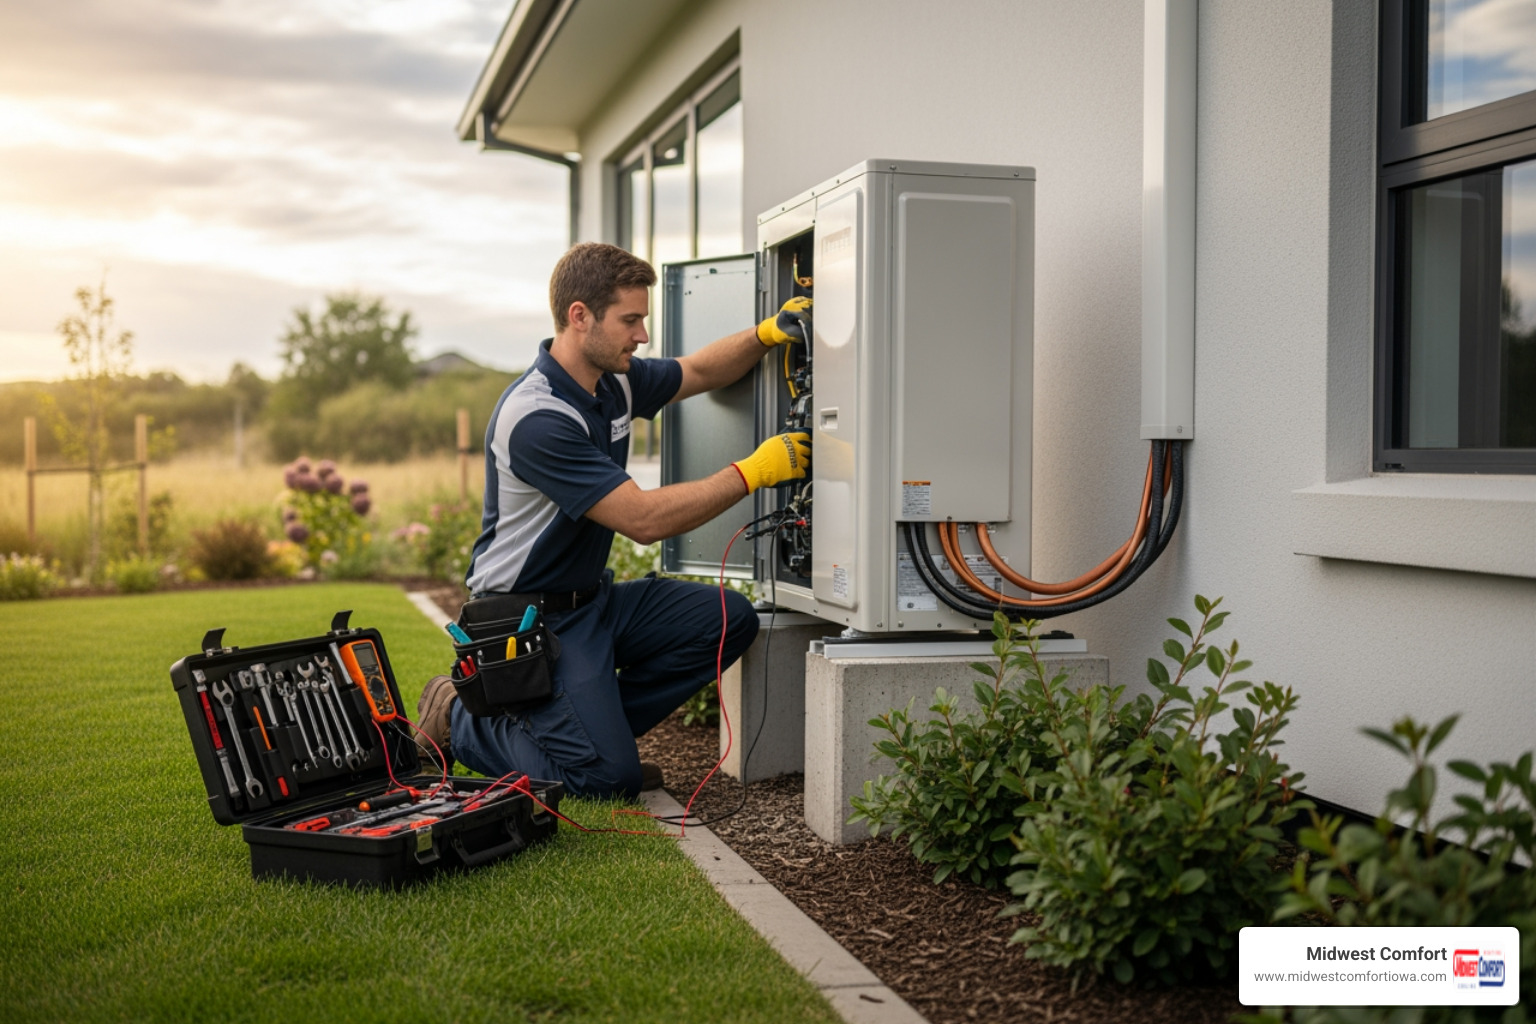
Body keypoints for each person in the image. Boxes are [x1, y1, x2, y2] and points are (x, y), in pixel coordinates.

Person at [415, 242, 811, 798]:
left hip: (591, 604)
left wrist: (767, 333)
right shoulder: (537, 418)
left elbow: (697, 370)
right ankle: (463, 721)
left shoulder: (613, 381)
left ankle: (593, 738)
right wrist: (755, 471)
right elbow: (643, 521)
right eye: (631, 320)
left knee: (729, 619)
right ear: (580, 317)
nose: (642, 335)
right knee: (606, 780)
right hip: (529, 623)